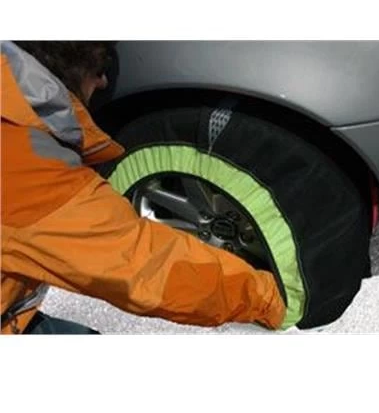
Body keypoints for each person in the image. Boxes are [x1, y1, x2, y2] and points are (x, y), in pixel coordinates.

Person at [1, 41, 286, 334]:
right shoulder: (25, 168)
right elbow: (144, 268)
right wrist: (269, 300)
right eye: (102, 68)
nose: (104, 82)